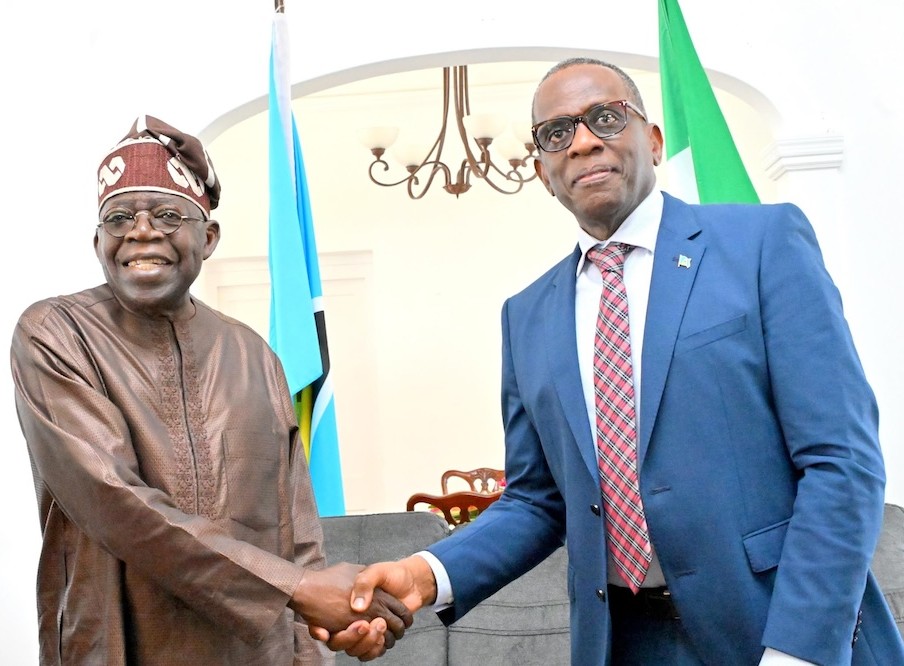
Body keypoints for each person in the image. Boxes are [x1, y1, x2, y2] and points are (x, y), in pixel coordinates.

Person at [322, 58, 904, 664]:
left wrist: (798, 651)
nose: (582, 142)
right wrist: (423, 574)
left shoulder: (762, 244)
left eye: (605, 117)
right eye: (557, 133)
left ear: (652, 140)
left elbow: (842, 460)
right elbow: (537, 500)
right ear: (543, 173)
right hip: (622, 642)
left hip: (778, 630)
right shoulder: (527, 316)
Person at [10, 116, 409, 665]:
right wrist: (297, 589)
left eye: (167, 215)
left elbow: (297, 530)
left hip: (257, 653)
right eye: (119, 218)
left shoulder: (253, 355)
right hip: (116, 644)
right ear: (98, 241)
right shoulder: (56, 333)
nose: (141, 231)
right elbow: (112, 498)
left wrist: (333, 627)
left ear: (209, 237)